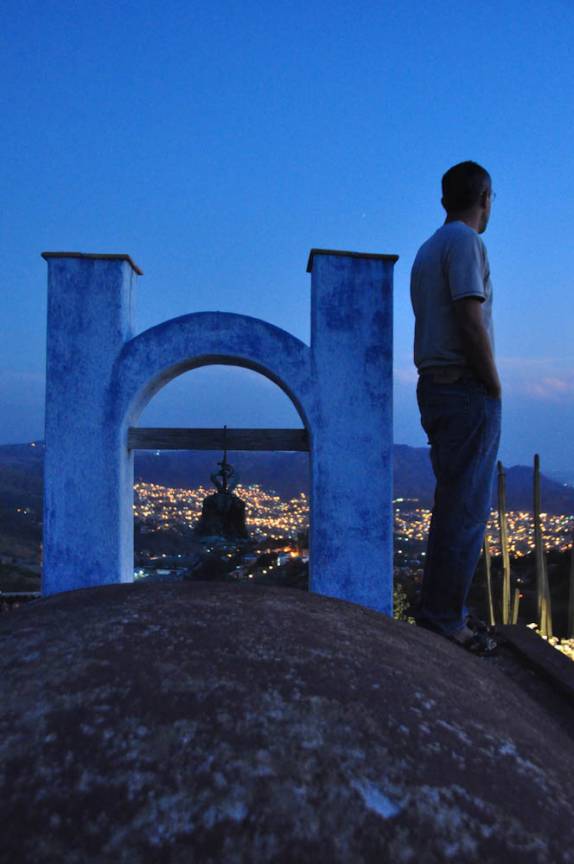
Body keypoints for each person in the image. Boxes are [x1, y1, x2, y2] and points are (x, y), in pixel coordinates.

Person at [410, 160, 501, 656]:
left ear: (444, 199)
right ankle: (447, 619)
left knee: (451, 505)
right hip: (464, 388)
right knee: (466, 510)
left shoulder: (428, 249)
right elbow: (470, 321)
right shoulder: (466, 243)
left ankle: (440, 611)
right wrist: (493, 383)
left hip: (434, 387)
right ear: (485, 198)